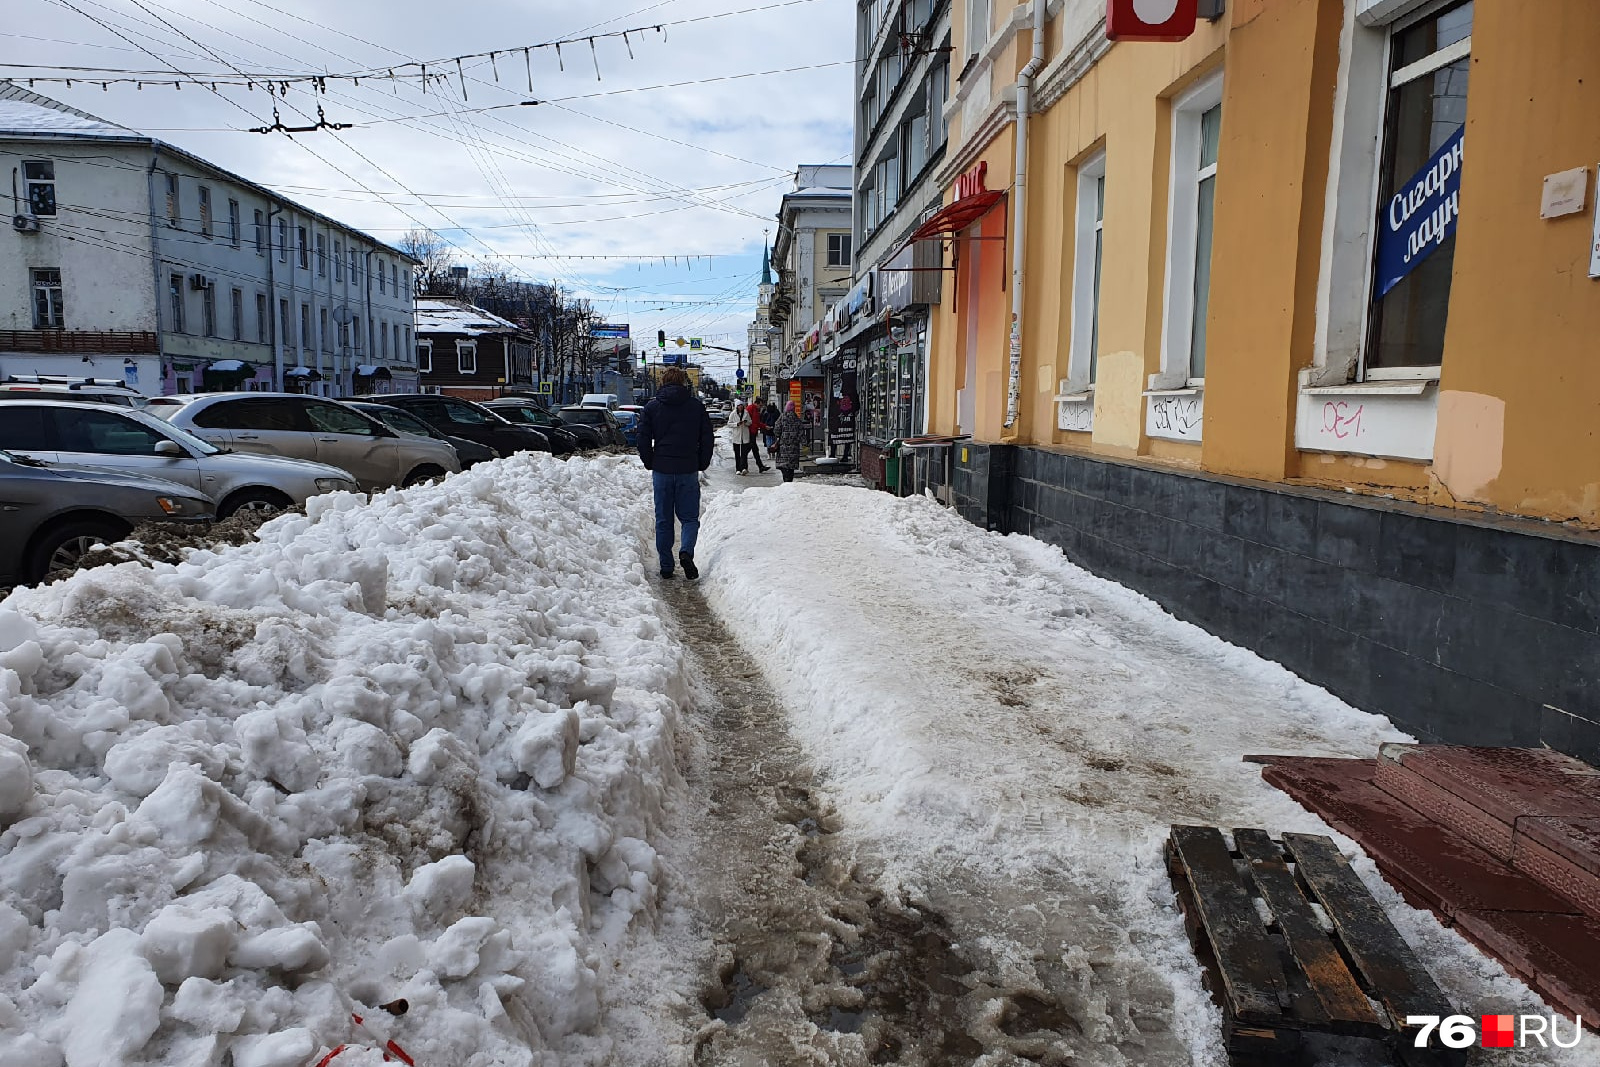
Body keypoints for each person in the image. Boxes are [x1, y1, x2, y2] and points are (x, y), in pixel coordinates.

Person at [637, 368, 714, 579]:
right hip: (687, 468)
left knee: (663, 519)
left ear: (662, 382)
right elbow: (707, 437)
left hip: (662, 469)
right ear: (683, 382)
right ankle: (686, 551)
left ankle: (666, 566)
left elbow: (642, 438)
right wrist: (702, 462)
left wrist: (650, 461)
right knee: (689, 518)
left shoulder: (651, 407)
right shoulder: (696, 407)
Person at [774, 400, 805, 483]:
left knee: (784, 464)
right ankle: (789, 481)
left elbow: (776, 430)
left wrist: (779, 436)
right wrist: (805, 443)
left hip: (783, 446)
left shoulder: (782, 417)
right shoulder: (797, 419)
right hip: (794, 447)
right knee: (791, 466)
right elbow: (801, 433)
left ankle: (786, 479)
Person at [729, 400, 760, 475]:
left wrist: (746, 423)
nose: (741, 407)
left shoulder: (746, 413)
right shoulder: (733, 414)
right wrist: (736, 424)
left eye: (741, 405)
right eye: (739, 406)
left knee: (744, 454)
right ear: (737, 406)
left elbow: (750, 422)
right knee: (737, 453)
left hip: (745, 436)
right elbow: (729, 424)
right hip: (736, 436)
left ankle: (744, 468)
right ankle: (738, 469)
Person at [744, 400, 769, 473]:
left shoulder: (755, 410)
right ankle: (743, 467)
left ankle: (760, 466)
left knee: (754, 450)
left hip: (753, 432)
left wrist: (764, 426)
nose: (760, 407)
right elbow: (749, 421)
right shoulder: (751, 408)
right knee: (747, 451)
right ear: (756, 404)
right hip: (750, 433)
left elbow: (757, 422)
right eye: (760, 405)